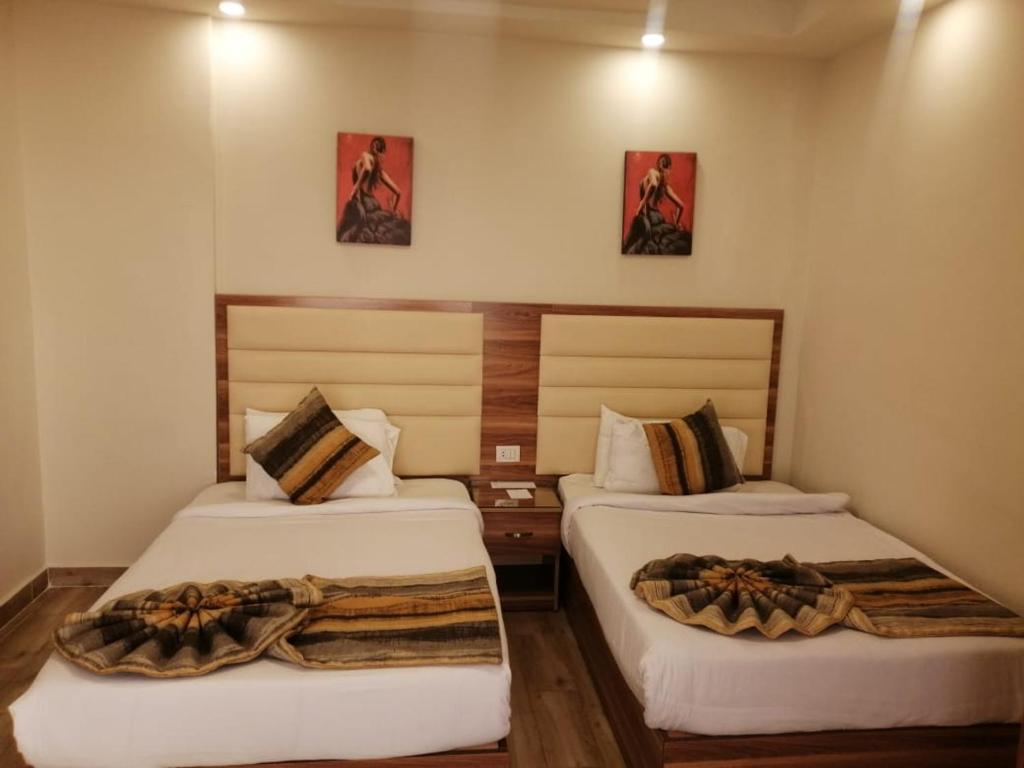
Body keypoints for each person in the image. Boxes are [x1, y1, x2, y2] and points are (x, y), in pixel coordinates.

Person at [337, 136, 411, 245]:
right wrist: (393, 210)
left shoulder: (365, 155)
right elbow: (398, 192)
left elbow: (367, 168)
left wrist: (355, 188)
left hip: (363, 202)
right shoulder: (379, 170)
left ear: (372, 146)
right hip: (374, 203)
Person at [622, 153, 692, 255]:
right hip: (658, 217)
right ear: (668, 167)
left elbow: (653, 184)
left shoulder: (652, 172)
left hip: (649, 216)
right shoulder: (664, 185)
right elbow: (681, 206)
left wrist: (641, 204)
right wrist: (676, 223)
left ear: (658, 164)